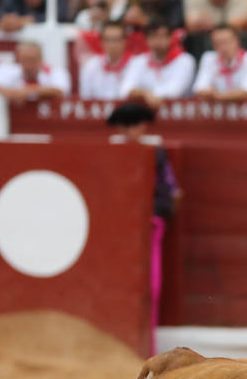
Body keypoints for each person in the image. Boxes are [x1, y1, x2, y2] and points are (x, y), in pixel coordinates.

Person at [106, 101, 179, 355]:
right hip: (114, 232)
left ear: (143, 127)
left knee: (152, 285)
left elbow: (167, 194)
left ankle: (146, 347)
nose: (127, 133)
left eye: (133, 126)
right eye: (123, 127)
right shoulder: (111, 155)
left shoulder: (156, 155)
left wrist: (151, 217)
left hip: (149, 226)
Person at [121, 20, 196, 108]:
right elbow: (125, 90)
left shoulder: (185, 60)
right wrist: (146, 94)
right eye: (153, 37)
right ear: (146, 39)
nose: (157, 42)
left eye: (162, 36)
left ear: (171, 38)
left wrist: (143, 94)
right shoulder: (139, 61)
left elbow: (174, 91)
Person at [192, 23, 247, 99]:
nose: (223, 47)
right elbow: (199, 89)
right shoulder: (209, 58)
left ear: (237, 41)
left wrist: (219, 96)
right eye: (217, 43)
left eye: (226, 41)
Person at [0, 39, 71, 101]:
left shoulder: (55, 72)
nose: (29, 64)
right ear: (18, 60)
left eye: (33, 59)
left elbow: (59, 90)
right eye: (25, 59)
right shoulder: (9, 71)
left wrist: (27, 92)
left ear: (41, 58)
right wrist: (11, 94)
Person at [79, 19, 137, 99]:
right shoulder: (91, 65)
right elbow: (85, 97)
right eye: (108, 40)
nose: (112, 45)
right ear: (101, 42)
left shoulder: (136, 64)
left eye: (116, 40)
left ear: (125, 41)